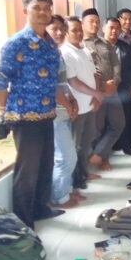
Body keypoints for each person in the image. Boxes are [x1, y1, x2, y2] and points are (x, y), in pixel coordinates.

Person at [0, 0, 62, 228]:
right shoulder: (17, 43)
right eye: (37, 7)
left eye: (47, 8)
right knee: (28, 171)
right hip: (24, 116)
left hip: (47, 114)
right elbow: (0, 81)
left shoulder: (50, 43)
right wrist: (2, 112)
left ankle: (41, 208)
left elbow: (52, 79)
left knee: (45, 165)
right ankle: (23, 221)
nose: (43, 12)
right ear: (26, 11)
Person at [61, 16, 104, 191]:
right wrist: (96, 93)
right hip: (76, 108)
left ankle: (84, 173)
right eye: (74, 30)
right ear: (66, 32)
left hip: (90, 105)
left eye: (80, 29)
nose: (79, 33)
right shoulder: (65, 53)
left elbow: (95, 75)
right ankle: (76, 181)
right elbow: (73, 81)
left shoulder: (84, 50)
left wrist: (97, 95)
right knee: (76, 145)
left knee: (87, 141)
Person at [82, 8, 124, 170]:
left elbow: (116, 64)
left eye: (97, 22)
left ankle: (98, 154)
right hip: (94, 93)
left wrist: (115, 82)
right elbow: (88, 71)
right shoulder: (80, 45)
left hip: (112, 91)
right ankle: (102, 159)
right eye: (91, 21)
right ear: (83, 23)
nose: (95, 25)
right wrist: (102, 86)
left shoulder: (105, 43)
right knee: (97, 128)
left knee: (118, 124)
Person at [46, 15, 80, 209]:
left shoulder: (56, 52)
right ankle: (60, 198)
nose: (59, 33)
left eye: (61, 29)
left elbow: (63, 83)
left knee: (68, 155)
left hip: (65, 111)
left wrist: (72, 101)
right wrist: (68, 106)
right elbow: (53, 87)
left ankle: (67, 191)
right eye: (54, 29)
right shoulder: (47, 55)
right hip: (55, 115)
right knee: (66, 157)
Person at [104, 18, 131, 156]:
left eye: (117, 28)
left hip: (123, 87)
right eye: (111, 27)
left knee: (125, 117)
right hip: (103, 88)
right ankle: (106, 149)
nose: (114, 31)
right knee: (104, 119)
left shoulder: (125, 47)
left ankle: (126, 145)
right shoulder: (98, 46)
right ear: (104, 28)